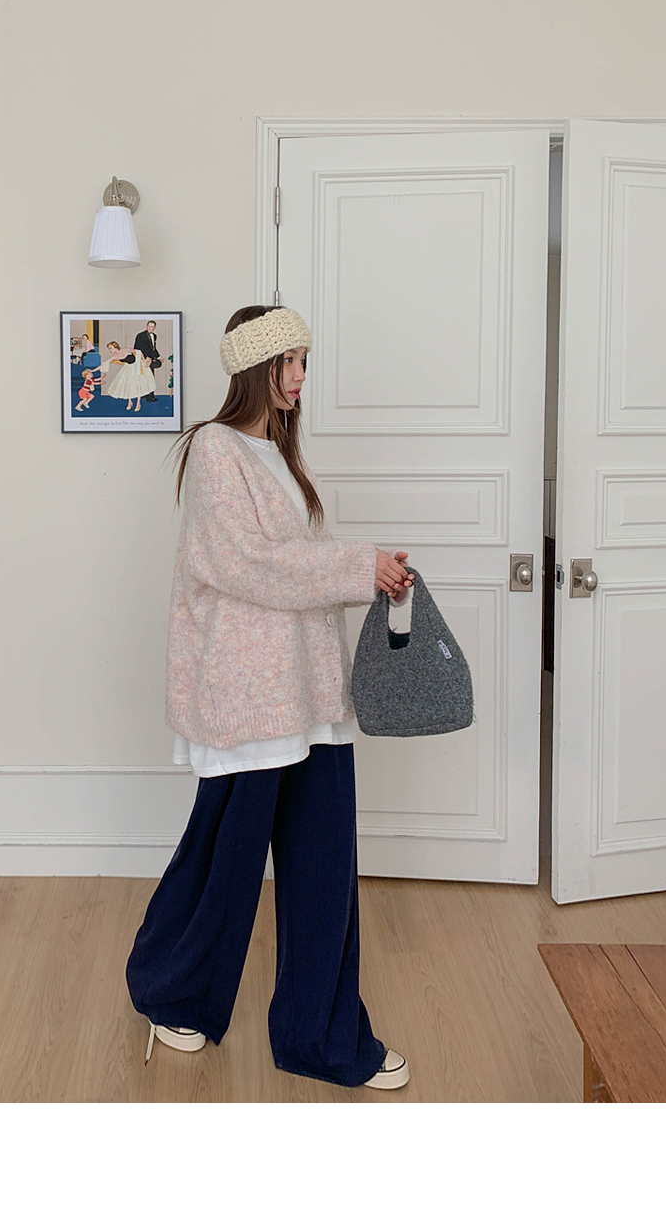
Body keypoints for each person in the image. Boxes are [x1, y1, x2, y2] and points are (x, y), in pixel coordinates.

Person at [125, 303, 415, 1091]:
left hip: (311, 692)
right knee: (224, 865)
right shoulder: (216, 449)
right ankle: (173, 993)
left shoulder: (281, 455)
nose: (300, 377)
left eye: (304, 362)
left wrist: (370, 573)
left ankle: (320, 1036)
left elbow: (290, 567)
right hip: (249, 699)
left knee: (324, 870)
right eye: (289, 362)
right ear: (256, 366)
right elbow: (244, 563)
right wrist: (357, 565)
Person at [100, 342, 156, 413]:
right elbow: (105, 364)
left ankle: (138, 403)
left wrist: (144, 360)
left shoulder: (126, 350)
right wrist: (93, 370)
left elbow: (139, 352)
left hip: (137, 367)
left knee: (138, 385)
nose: (110, 350)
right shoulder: (114, 356)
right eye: (109, 349)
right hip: (128, 369)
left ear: (115, 346)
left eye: (111, 348)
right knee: (128, 384)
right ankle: (130, 402)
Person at [134, 319, 162, 402]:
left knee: (150, 378)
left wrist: (158, 356)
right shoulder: (140, 335)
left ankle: (150, 396)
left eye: (152, 327)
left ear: (154, 327)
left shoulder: (154, 336)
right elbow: (137, 349)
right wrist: (144, 359)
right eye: (149, 326)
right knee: (143, 378)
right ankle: (145, 395)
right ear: (146, 326)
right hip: (143, 360)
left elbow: (153, 348)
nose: (150, 328)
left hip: (150, 360)